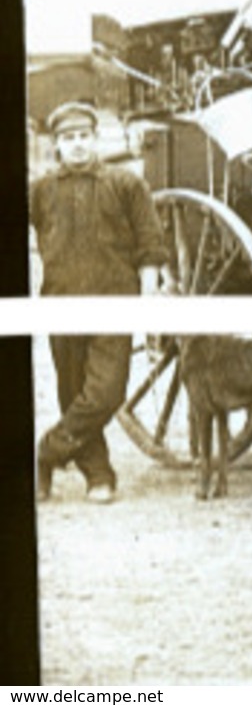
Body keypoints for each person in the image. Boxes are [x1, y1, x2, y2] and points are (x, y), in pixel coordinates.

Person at [29, 101, 167, 504]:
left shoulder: (125, 184)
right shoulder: (41, 190)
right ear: (56, 145)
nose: (76, 145)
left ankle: (45, 453)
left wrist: (148, 300)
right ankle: (98, 475)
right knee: (72, 392)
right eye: (68, 139)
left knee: (107, 392)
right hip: (60, 304)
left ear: (96, 138)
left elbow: (151, 247)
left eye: (83, 137)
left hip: (115, 304)